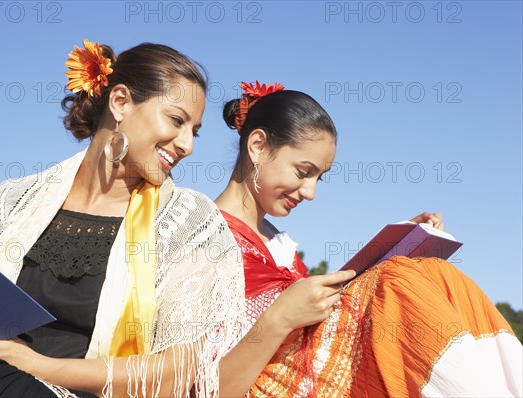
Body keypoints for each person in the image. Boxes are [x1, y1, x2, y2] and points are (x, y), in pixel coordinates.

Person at [0, 41, 247, 398]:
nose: (188, 145)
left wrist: (30, 363)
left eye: (194, 131)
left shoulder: (192, 225)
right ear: (120, 102)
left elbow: (178, 372)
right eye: (177, 120)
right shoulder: (14, 200)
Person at [214, 81, 523, 397]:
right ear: (257, 146)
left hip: (313, 375)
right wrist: (279, 317)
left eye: (319, 177)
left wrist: (394, 247)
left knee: (434, 275)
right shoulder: (205, 237)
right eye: (303, 171)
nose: (310, 192)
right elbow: (200, 382)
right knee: (399, 280)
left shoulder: (279, 246)